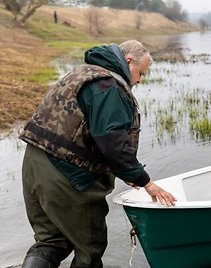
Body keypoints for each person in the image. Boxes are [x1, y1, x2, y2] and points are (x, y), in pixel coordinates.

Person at [19, 40, 177, 267]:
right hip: (67, 174)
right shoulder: (108, 86)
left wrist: (127, 172)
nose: (139, 80)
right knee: (89, 248)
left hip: (34, 164)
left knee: (51, 241)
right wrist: (145, 182)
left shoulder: (84, 73)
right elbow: (112, 141)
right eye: (140, 73)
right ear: (128, 60)